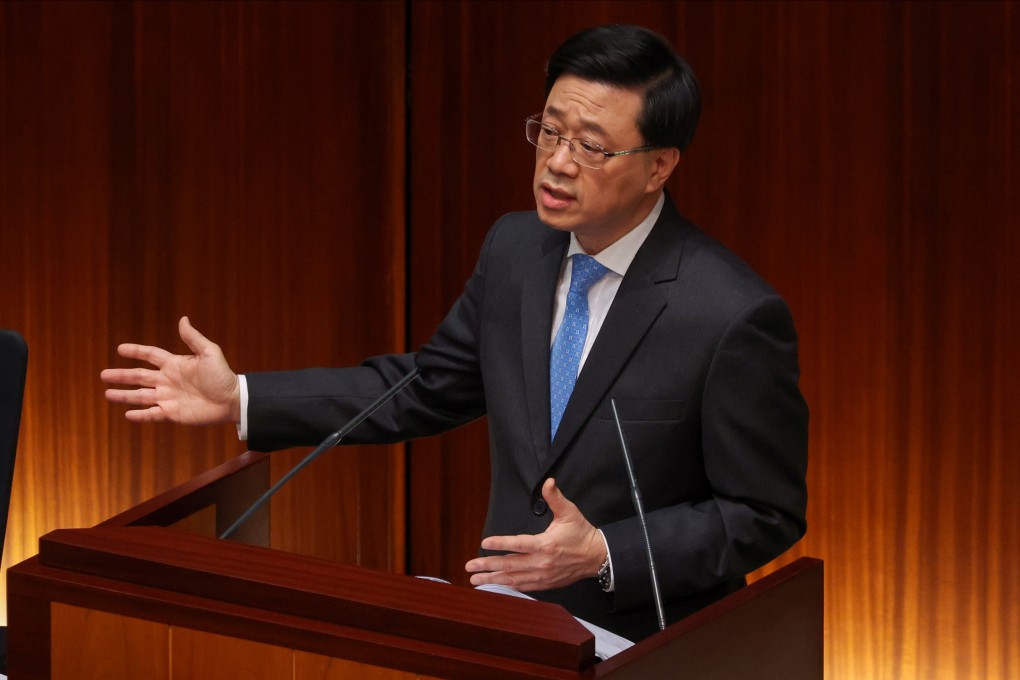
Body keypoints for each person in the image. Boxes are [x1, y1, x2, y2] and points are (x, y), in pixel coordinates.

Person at [102, 24, 808, 643]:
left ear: (659, 165)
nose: (558, 162)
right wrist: (245, 398)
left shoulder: (729, 315)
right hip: (506, 631)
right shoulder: (516, 251)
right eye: (551, 131)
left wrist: (604, 552)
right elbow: (422, 388)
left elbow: (764, 514)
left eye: (593, 147)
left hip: (649, 648)